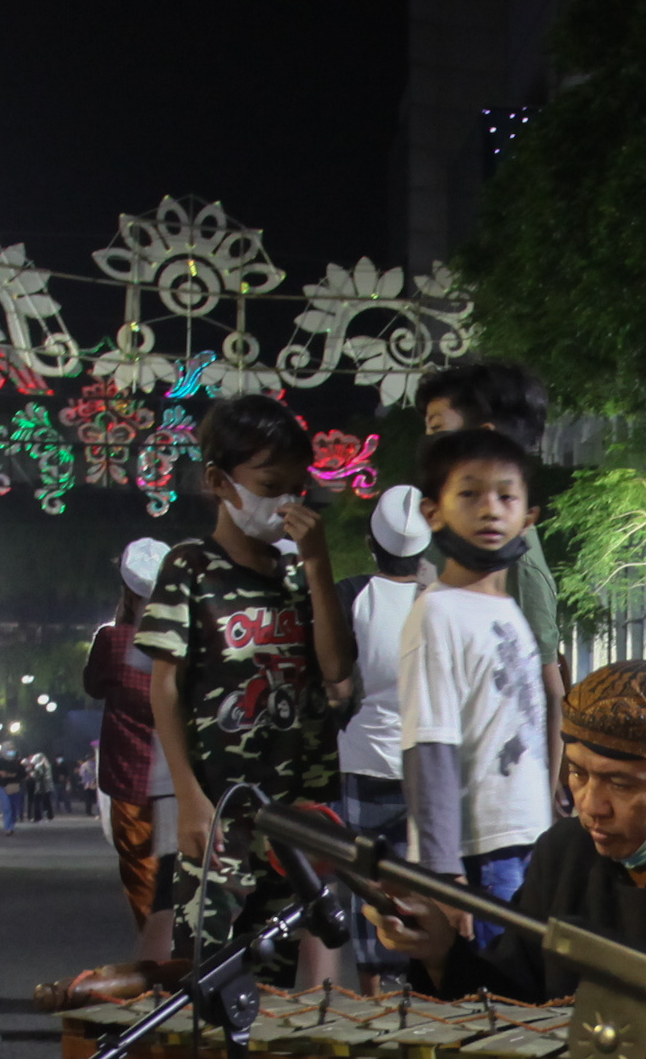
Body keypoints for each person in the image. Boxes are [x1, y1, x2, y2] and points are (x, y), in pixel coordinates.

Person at [373, 661, 646, 1003]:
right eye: (578, 774)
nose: (591, 805)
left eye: (620, 782)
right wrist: (439, 952)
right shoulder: (562, 851)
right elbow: (513, 999)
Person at [136, 397, 356, 978]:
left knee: (275, 976)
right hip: (218, 811)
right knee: (207, 976)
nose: (286, 502)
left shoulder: (296, 574)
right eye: (270, 484)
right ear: (219, 481)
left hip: (290, 815)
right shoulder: (190, 567)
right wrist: (187, 797)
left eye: (297, 487)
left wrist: (317, 566)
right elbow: (166, 689)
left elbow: (336, 669)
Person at [398, 428, 555, 906]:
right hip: (479, 855)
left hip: (528, 840)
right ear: (433, 512)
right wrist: (443, 873)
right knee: (488, 981)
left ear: (528, 517)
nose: (490, 510)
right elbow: (429, 745)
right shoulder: (437, 613)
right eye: (469, 494)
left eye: (506, 496)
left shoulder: (507, 608)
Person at [418, 359, 563, 743]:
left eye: (436, 429)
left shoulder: (520, 565)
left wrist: (544, 798)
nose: (428, 445)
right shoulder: (443, 548)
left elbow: (548, 694)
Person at [84, 537, 183, 960]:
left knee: (143, 883)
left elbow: (93, 685)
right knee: (176, 888)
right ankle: (177, 967)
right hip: (179, 781)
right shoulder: (186, 638)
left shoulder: (112, 641)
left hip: (129, 781)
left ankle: (153, 975)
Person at [337, 484, 433, 868]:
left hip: (365, 764)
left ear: (370, 544)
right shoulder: (443, 601)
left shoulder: (351, 594)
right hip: (430, 767)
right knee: (424, 891)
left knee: (370, 891)